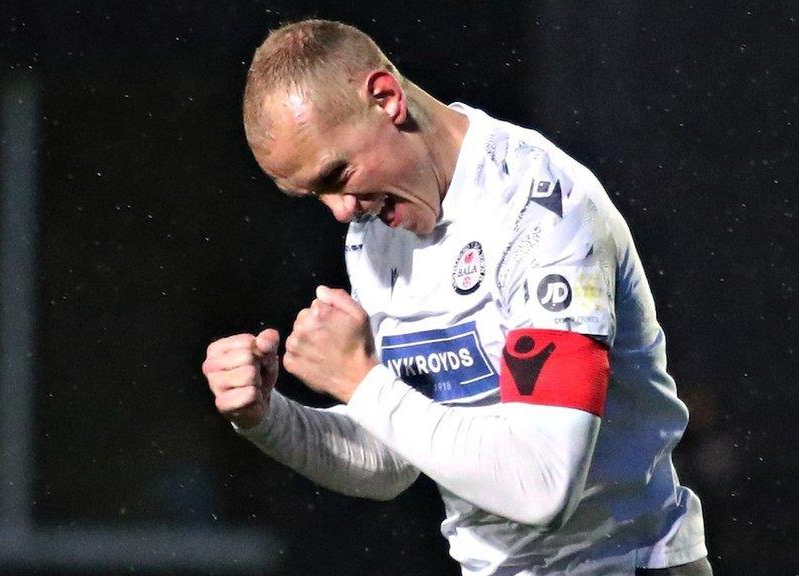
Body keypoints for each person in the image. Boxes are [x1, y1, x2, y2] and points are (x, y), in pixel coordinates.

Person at [203, 19, 711, 576]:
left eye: (338, 175)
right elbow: (394, 458)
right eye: (315, 195)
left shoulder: (544, 210)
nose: (341, 211)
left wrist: (359, 378)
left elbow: (542, 486)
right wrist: (267, 417)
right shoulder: (376, 235)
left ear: (387, 98)